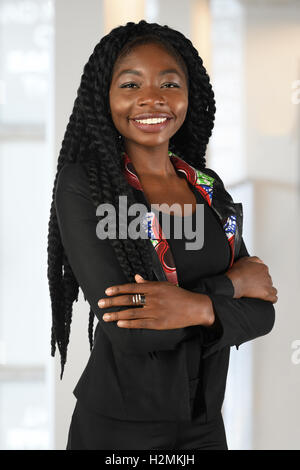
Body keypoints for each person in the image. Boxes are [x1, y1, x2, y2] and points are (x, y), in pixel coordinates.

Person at [47, 20, 277, 450]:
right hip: (119, 432)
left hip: (206, 425)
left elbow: (263, 313)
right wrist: (229, 289)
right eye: (130, 85)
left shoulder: (208, 188)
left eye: (169, 83)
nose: (152, 98)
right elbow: (134, 332)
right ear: (105, 97)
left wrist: (189, 306)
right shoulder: (85, 188)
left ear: (189, 94)